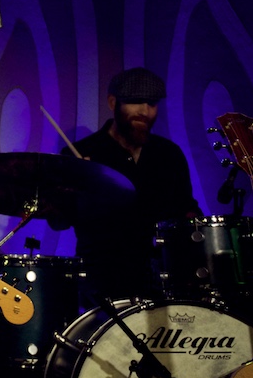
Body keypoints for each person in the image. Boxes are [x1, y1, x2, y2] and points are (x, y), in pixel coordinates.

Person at [51, 67, 201, 311]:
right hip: (102, 282)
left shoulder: (169, 154)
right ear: (113, 102)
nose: (144, 111)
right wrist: (75, 189)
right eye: (134, 102)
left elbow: (186, 209)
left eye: (151, 103)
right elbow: (58, 222)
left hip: (165, 281)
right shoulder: (80, 154)